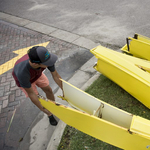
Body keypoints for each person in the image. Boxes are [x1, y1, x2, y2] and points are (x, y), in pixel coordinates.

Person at [12, 46, 63, 126]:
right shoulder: (22, 73)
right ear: (35, 63)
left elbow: (56, 75)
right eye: (47, 63)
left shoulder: (45, 59)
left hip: (37, 74)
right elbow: (31, 94)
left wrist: (64, 90)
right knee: (39, 98)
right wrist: (42, 109)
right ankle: (50, 115)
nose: (50, 63)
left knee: (48, 90)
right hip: (26, 81)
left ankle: (53, 106)